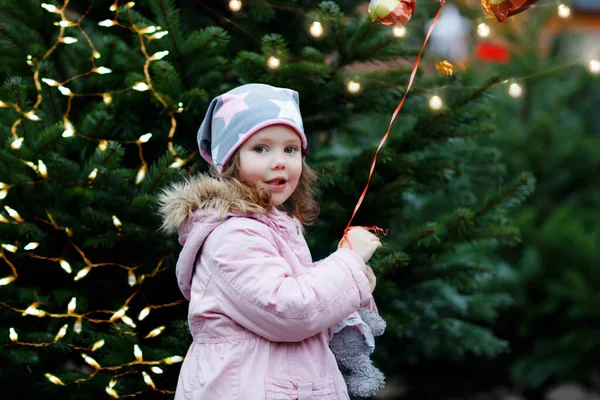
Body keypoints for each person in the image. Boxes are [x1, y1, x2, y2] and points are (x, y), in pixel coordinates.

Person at [158, 83, 382, 399]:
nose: (279, 161)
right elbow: (291, 311)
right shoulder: (231, 234)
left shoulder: (279, 227)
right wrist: (347, 264)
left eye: (290, 149)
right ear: (230, 162)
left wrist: (351, 283)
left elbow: (307, 309)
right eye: (261, 148)